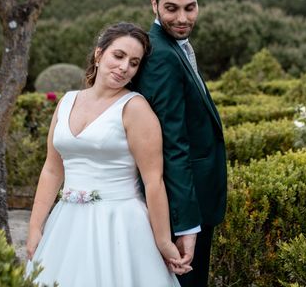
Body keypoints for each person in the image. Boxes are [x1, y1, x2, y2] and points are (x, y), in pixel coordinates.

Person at [25, 22, 189, 286]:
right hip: (66, 224)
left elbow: (153, 181)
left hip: (120, 225)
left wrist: (162, 240)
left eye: (134, 63)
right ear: (99, 54)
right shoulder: (66, 102)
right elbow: (52, 169)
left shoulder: (135, 108)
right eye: (119, 56)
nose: (125, 67)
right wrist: (35, 227)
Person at [134, 0, 227, 287]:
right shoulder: (160, 55)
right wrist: (187, 225)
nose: (183, 18)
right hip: (183, 207)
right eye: (172, 8)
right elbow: (171, 143)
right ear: (154, 5)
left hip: (193, 199)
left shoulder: (175, 47)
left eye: (190, 7)